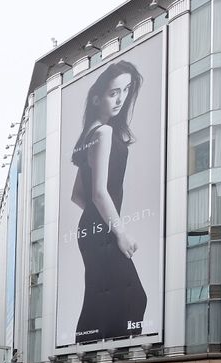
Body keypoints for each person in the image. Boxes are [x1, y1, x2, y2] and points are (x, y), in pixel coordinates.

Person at [70, 59, 147, 344]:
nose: (121, 98)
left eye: (126, 90)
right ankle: (106, 356)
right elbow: (99, 193)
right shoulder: (103, 133)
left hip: (93, 228)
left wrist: (96, 219)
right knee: (132, 297)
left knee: (99, 300)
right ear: (97, 96)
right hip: (103, 231)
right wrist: (120, 232)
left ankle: (86, 356)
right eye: (114, 92)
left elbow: (79, 195)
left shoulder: (91, 132)